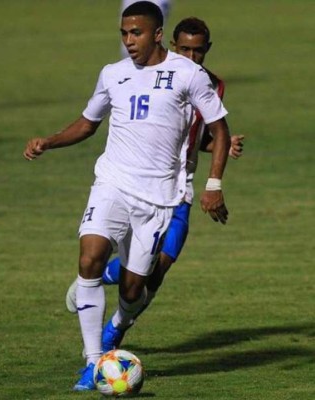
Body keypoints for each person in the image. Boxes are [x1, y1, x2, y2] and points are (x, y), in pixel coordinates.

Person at [24, 2, 230, 392]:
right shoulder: (112, 74)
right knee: (89, 256)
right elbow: (88, 123)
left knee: (137, 288)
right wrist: (49, 141)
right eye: (123, 33)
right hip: (112, 184)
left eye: (135, 33)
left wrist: (214, 185)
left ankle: (118, 322)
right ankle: (93, 361)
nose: (128, 41)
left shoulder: (189, 75)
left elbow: (218, 128)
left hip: (159, 199)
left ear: (156, 34)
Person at [66, 16, 244, 353]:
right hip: (142, 182)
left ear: (208, 50)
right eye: (185, 49)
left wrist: (223, 146)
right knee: (133, 268)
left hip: (181, 190)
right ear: (172, 45)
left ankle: (115, 323)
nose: (192, 57)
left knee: (157, 272)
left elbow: (198, 136)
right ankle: (98, 285)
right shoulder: (150, 76)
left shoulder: (211, 84)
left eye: (199, 51)